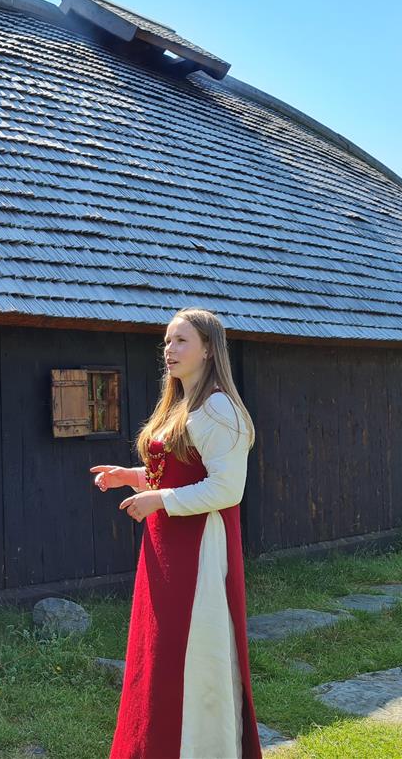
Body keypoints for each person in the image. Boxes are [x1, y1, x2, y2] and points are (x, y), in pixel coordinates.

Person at [92, 308, 262, 759]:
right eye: (167, 340)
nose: (169, 349)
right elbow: (174, 474)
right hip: (166, 548)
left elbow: (227, 489)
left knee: (195, 652)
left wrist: (159, 500)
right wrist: (131, 477)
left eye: (181, 340)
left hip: (198, 552)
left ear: (208, 350)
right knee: (160, 653)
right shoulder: (180, 407)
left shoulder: (219, 407)